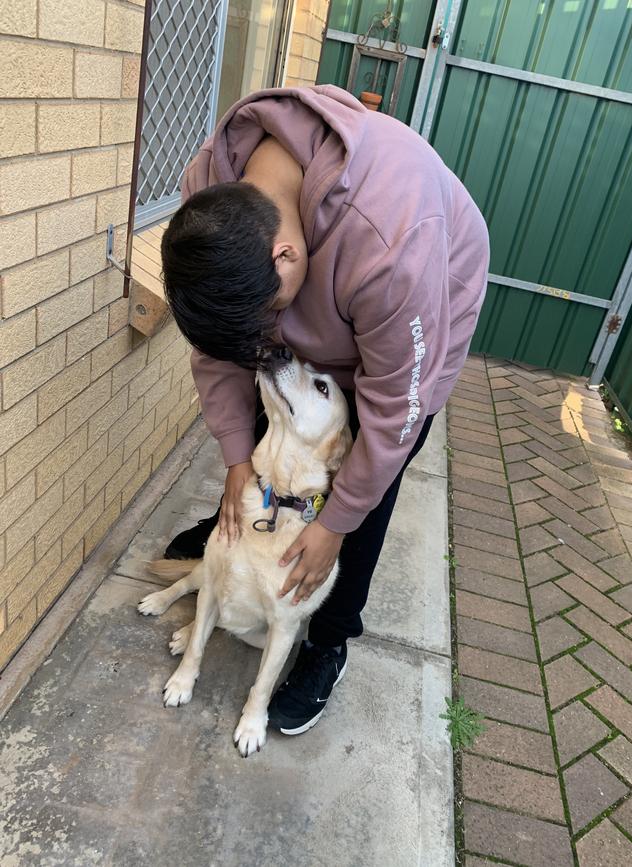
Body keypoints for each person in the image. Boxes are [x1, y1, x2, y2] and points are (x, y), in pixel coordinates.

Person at [161, 84, 489, 736]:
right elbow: (220, 348)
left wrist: (335, 520)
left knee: (357, 493)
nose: (272, 344)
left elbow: (396, 411)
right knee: (270, 425)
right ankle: (251, 533)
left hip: (413, 323)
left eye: (274, 319)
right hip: (339, 287)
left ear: (284, 255)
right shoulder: (212, 200)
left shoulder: (392, 240)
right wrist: (236, 461)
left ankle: (329, 641)